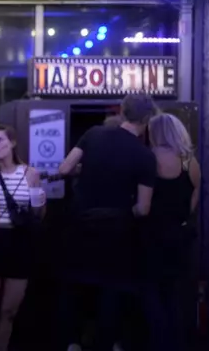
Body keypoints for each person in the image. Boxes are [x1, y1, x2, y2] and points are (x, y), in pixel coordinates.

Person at [57, 93, 157, 351]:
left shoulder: (93, 134)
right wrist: (124, 211)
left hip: (81, 226)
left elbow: (65, 169)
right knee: (111, 292)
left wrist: (88, 170)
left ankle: (72, 342)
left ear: (123, 111)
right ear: (147, 118)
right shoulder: (145, 156)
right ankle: (106, 343)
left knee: (75, 286)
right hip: (117, 234)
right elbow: (144, 208)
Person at [0, 124, 46, 351]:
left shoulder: (30, 173)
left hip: (20, 243)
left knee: (8, 311)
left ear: (13, 142)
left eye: (0, 140)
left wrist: (40, 203)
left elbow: (38, 215)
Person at [143, 113, 200, 351]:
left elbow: (141, 199)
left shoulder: (148, 159)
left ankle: (158, 342)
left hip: (150, 236)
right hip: (179, 237)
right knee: (175, 294)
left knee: (150, 293)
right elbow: (193, 203)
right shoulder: (190, 162)